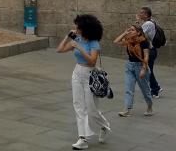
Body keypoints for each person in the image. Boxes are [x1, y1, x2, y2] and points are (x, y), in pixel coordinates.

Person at [57, 14, 110, 149]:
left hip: (90, 76)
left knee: (92, 109)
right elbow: (60, 50)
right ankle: (83, 139)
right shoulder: (77, 38)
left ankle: (104, 126)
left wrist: (79, 47)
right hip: (77, 73)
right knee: (78, 106)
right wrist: (68, 37)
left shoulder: (94, 43)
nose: (76, 28)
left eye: (78, 27)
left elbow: (92, 62)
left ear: (86, 29)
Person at [113, 24, 153, 117]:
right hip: (129, 66)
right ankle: (127, 109)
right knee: (128, 89)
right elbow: (115, 42)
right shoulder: (128, 40)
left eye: (132, 30)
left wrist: (144, 68)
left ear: (138, 32)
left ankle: (150, 106)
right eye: (129, 30)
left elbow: (146, 55)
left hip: (141, 66)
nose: (130, 31)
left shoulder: (143, 41)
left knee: (145, 90)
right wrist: (124, 33)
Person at [137, 6, 163, 97]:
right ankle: (156, 87)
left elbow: (138, 34)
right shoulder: (150, 22)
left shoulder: (148, 24)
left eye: (141, 13)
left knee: (148, 70)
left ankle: (155, 90)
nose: (139, 14)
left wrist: (137, 22)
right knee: (149, 70)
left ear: (146, 14)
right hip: (151, 50)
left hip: (150, 51)